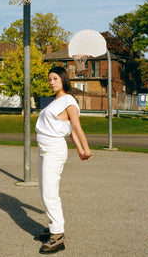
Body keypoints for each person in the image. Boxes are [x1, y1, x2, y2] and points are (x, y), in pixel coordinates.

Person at [35, 66, 93, 254]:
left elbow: (76, 127)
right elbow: (67, 129)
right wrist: (78, 150)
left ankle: (58, 235)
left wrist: (86, 149)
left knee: (50, 192)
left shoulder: (68, 100)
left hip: (54, 149)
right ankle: (53, 226)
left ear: (63, 80)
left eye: (55, 79)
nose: (51, 82)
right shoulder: (55, 101)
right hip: (44, 149)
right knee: (45, 190)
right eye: (49, 79)